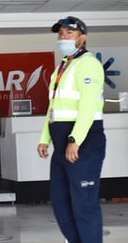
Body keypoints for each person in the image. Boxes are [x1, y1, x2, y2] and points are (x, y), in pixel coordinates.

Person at [37, 16, 106, 243]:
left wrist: (75, 139)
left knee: (83, 204)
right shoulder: (62, 67)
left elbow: (87, 106)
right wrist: (44, 138)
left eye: (69, 33)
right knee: (61, 204)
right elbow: (54, 107)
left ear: (82, 38)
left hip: (83, 143)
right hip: (61, 145)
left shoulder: (89, 64)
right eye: (60, 33)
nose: (63, 37)